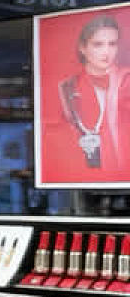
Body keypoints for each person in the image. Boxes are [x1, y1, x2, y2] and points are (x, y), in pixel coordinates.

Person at [53, 14, 130, 180]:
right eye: (98, 44)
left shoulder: (126, 80)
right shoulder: (67, 87)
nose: (106, 52)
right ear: (83, 47)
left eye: (112, 44)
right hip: (81, 174)